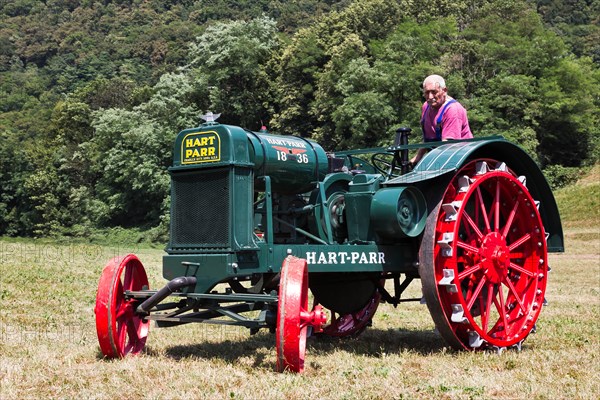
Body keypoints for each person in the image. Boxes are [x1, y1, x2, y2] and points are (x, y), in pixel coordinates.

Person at [410, 74, 473, 166]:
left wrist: (427, 163)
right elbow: (427, 139)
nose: (430, 97)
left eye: (434, 92)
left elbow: (449, 145)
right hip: (439, 153)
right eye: (427, 92)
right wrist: (418, 157)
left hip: (460, 157)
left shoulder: (452, 110)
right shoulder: (426, 106)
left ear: (444, 91)